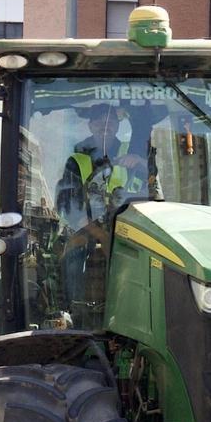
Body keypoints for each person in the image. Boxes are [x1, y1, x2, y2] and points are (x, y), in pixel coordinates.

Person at [54, 103, 147, 315]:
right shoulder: (76, 158)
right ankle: (74, 312)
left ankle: (133, 312)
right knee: (73, 259)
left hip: (127, 227)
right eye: (98, 121)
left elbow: (152, 187)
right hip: (86, 228)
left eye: (110, 120)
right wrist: (99, 234)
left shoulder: (130, 152)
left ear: (117, 124)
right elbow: (68, 204)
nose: (104, 126)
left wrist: (140, 162)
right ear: (90, 125)